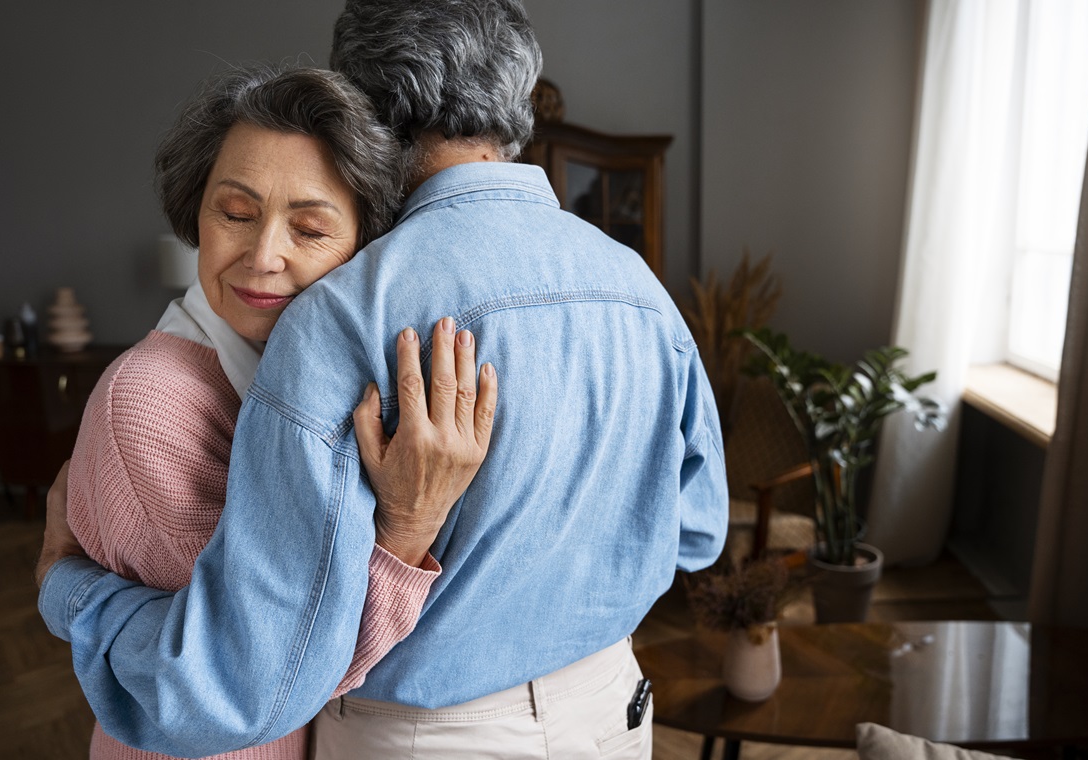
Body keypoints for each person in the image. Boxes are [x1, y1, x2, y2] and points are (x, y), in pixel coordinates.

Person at [37, 1, 729, 757]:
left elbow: (244, 680)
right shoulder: (639, 286)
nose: (269, 252)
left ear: (361, 102)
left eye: (305, 227)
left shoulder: (343, 315)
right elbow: (696, 531)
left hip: (428, 734)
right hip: (611, 709)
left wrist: (68, 588)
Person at [39, 64, 497, 759]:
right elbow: (268, 675)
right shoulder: (150, 403)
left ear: (362, 252)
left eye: (309, 228)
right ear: (197, 211)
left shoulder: (302, 378)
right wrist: (407, 527)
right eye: (236, 213)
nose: (263, 255)